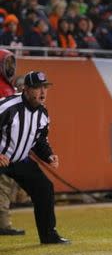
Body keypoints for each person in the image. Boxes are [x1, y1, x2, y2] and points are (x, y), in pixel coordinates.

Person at [0, 70, 70, 244]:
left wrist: (49, 156)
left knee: (44, 188)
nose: (43, 92)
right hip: (2, 159)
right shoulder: (7, 107)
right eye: (37, 88)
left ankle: (48, 235)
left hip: (20, 160)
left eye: (45, 87)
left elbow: (39, 141)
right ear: (26, 89)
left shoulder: (43, 114)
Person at [0, 49, 25, 235]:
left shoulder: (8, 87)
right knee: (3, 188)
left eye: (11, 63)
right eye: (7, 63)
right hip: (4, 149)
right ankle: (3, 225)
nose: (11, 68)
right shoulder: (4, 88)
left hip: (10, 148)